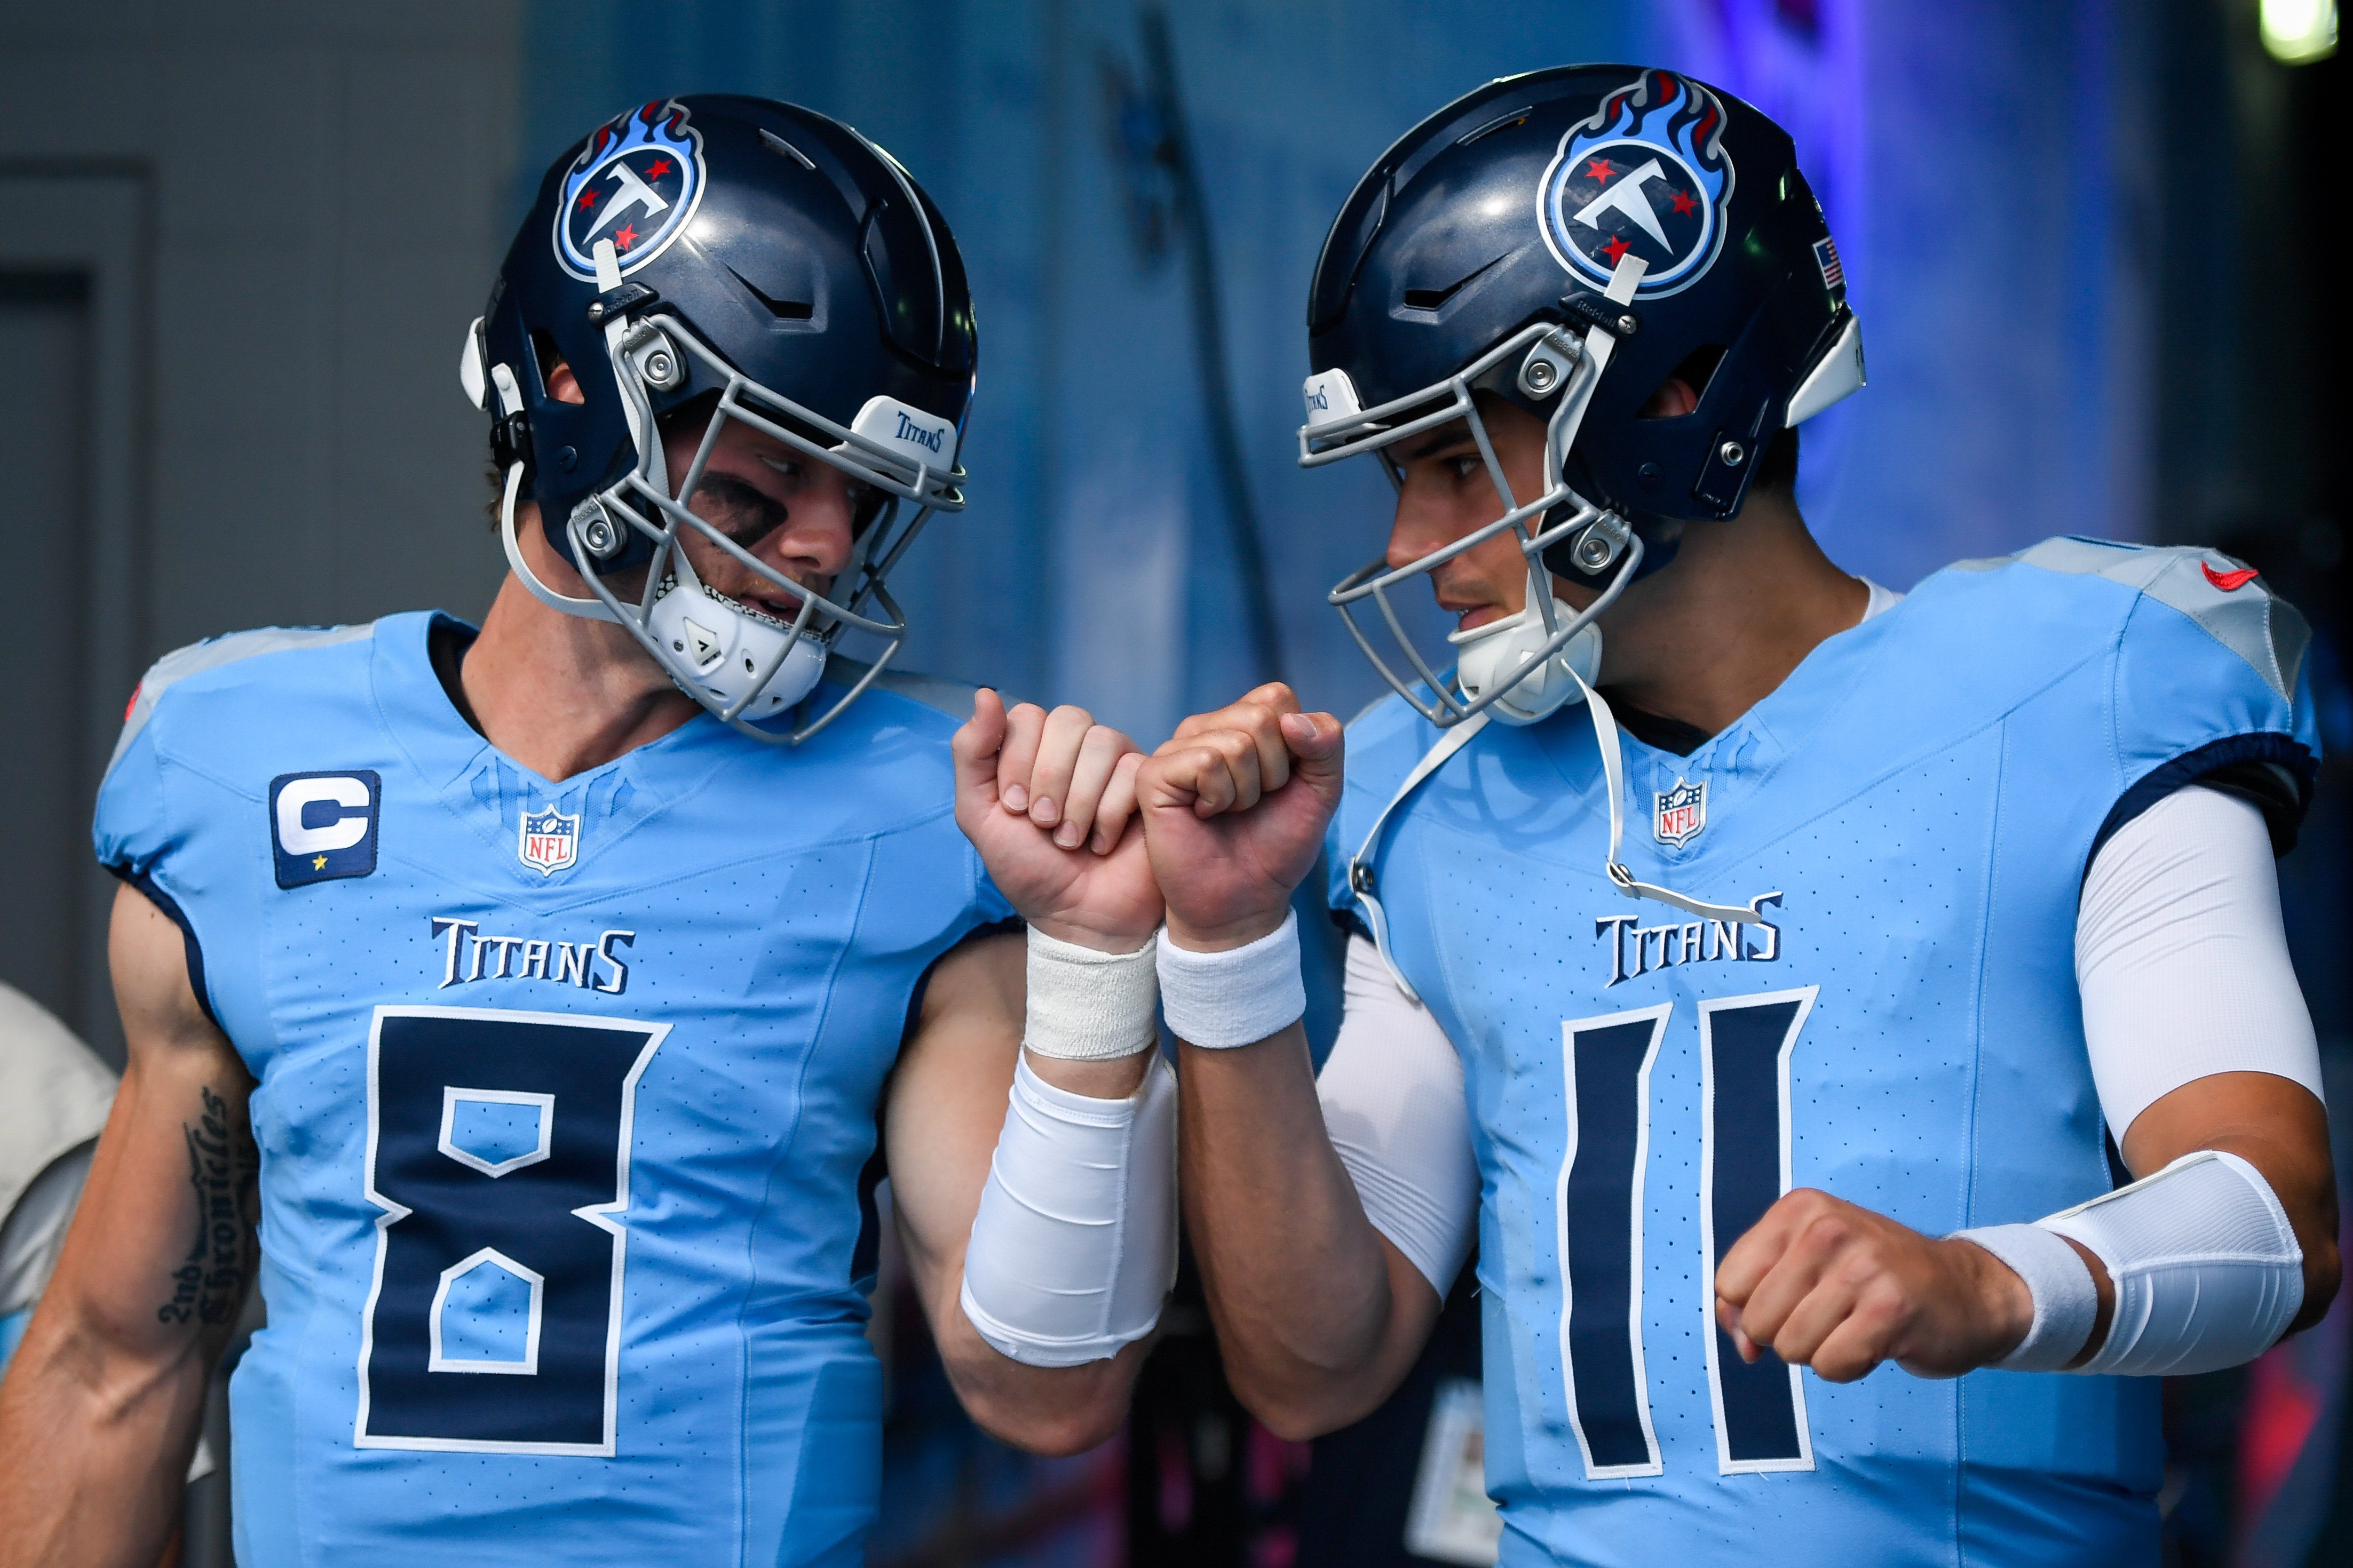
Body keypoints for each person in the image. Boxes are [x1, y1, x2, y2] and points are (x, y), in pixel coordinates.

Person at [1126, 66, 2339, 1564]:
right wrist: (1229, 945)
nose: (1415, 550)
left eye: (1452, 463)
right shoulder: (1432, 796)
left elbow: (2270, 1213)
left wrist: (1979, 1282)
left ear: (1673, 395)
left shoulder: (2076, 685)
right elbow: (1314, 1362)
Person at [0, 94, 1174, 1567]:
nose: (822, 541)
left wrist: (1090, 964)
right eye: (766, 472)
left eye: (863, 493)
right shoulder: (244, 767)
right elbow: (118, 1364)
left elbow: (1045, 1387)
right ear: (568, 391)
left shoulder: (924, 810)